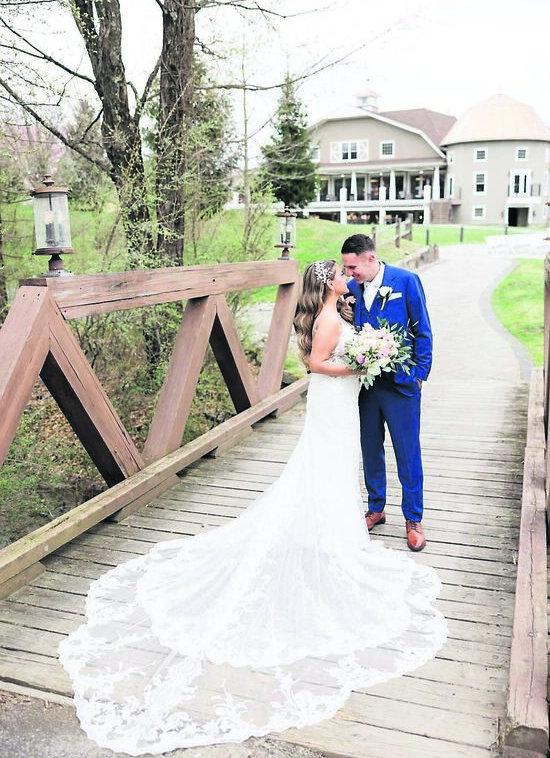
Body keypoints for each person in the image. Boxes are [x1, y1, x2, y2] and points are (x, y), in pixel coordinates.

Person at [58, 260, 446, 756]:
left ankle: (339, 527)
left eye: (351, 269)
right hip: (335, 398)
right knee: (328, 464)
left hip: (346, 401)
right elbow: (315, 363)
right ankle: (332, 531)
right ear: (330, 282)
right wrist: (359, 364)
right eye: (341, 273)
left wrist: (371, 357)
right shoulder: (331, 318)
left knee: (339, 464)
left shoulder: (341, 309)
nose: (348, 277)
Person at [341, 233, 432, 552]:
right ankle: (376, 507)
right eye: (346, 268)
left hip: (401, 385)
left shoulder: (406, 281)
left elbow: (422, 330)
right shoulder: (351, 288)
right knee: (370, 447)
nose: (350, 273)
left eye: (352, 267)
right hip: (365, 386)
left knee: (407, 452)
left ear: (370, 258)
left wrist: (419, 375)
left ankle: (413, 518)